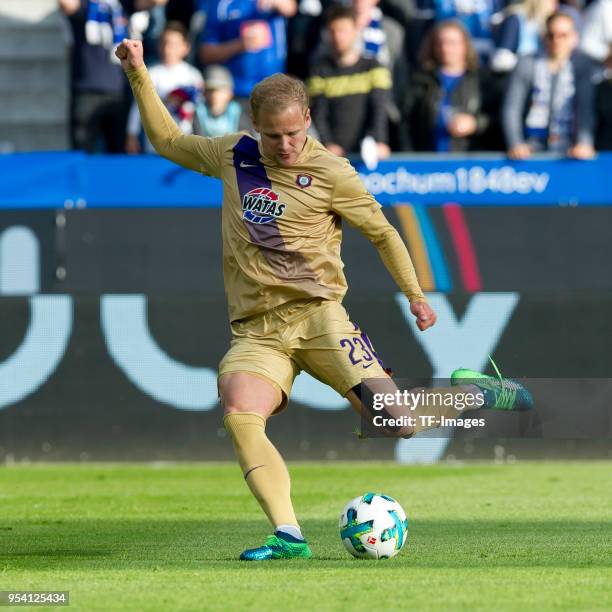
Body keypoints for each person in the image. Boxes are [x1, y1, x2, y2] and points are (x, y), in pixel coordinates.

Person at [116, 37, 533, 561]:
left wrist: (416, 296)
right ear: (255, 125)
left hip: (319, 318)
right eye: (273, 136)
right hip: (256, 330)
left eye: (293, 133)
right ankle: (288, 535)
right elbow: (168, 139)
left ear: (308, 119)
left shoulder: (333, 173)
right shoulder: (232, 154)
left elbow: (383, 232)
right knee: (240, 410)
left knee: (395, 422)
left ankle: (476, 393)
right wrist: (138, 71)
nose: (285, 145)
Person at [502, 10, 596, 159]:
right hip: (530, 150)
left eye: (563, 36)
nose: (556, 41)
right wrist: (516, 143)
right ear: (543, 37)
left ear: (574, 38)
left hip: (569, 150)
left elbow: (585, 107)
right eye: (551, 35)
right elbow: (512, 108)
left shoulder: (581, 65)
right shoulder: (527, 64)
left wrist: (584, 142)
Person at [308, 6, 392, 159]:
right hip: (333, 155)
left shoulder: (374, 67)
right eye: (333, 31)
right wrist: (327, 143)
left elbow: (379, 107)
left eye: (343, 30)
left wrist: (379, 140)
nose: (338, 37)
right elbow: (319, 112)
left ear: (356, 30)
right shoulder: (319, 70)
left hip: (368, 155)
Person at [402, 19, 488, 152]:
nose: (445, 48)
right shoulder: (420, 81)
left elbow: (496, 118)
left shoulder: (481, 80)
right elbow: (406, 123)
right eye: (440, 43)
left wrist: (475, 123)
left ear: (465, 45)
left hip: (469, 164)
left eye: (452, 43)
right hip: (427, 161)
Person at [126, 21, 203, 154]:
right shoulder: (149, 73)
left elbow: (201, 110)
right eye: (164, 42)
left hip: (187, 142)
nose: (168, 48)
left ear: (186, 47)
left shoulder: (194, 76)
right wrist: (131, 135)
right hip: (156, 144)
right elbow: (138, 106)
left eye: (174, 44)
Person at [198, 0, 297, 103]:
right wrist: (240, 45)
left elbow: (291, 8)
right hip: (237, 93)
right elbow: (206, 54)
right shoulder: (220, 4)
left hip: (275, 91)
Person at [194, 66, 252, 136]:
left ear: (230, 93)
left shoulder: (237, 111)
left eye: (220, 90)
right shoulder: (199, 111)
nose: (215, 95)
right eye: (210, 90)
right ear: (204, 93)